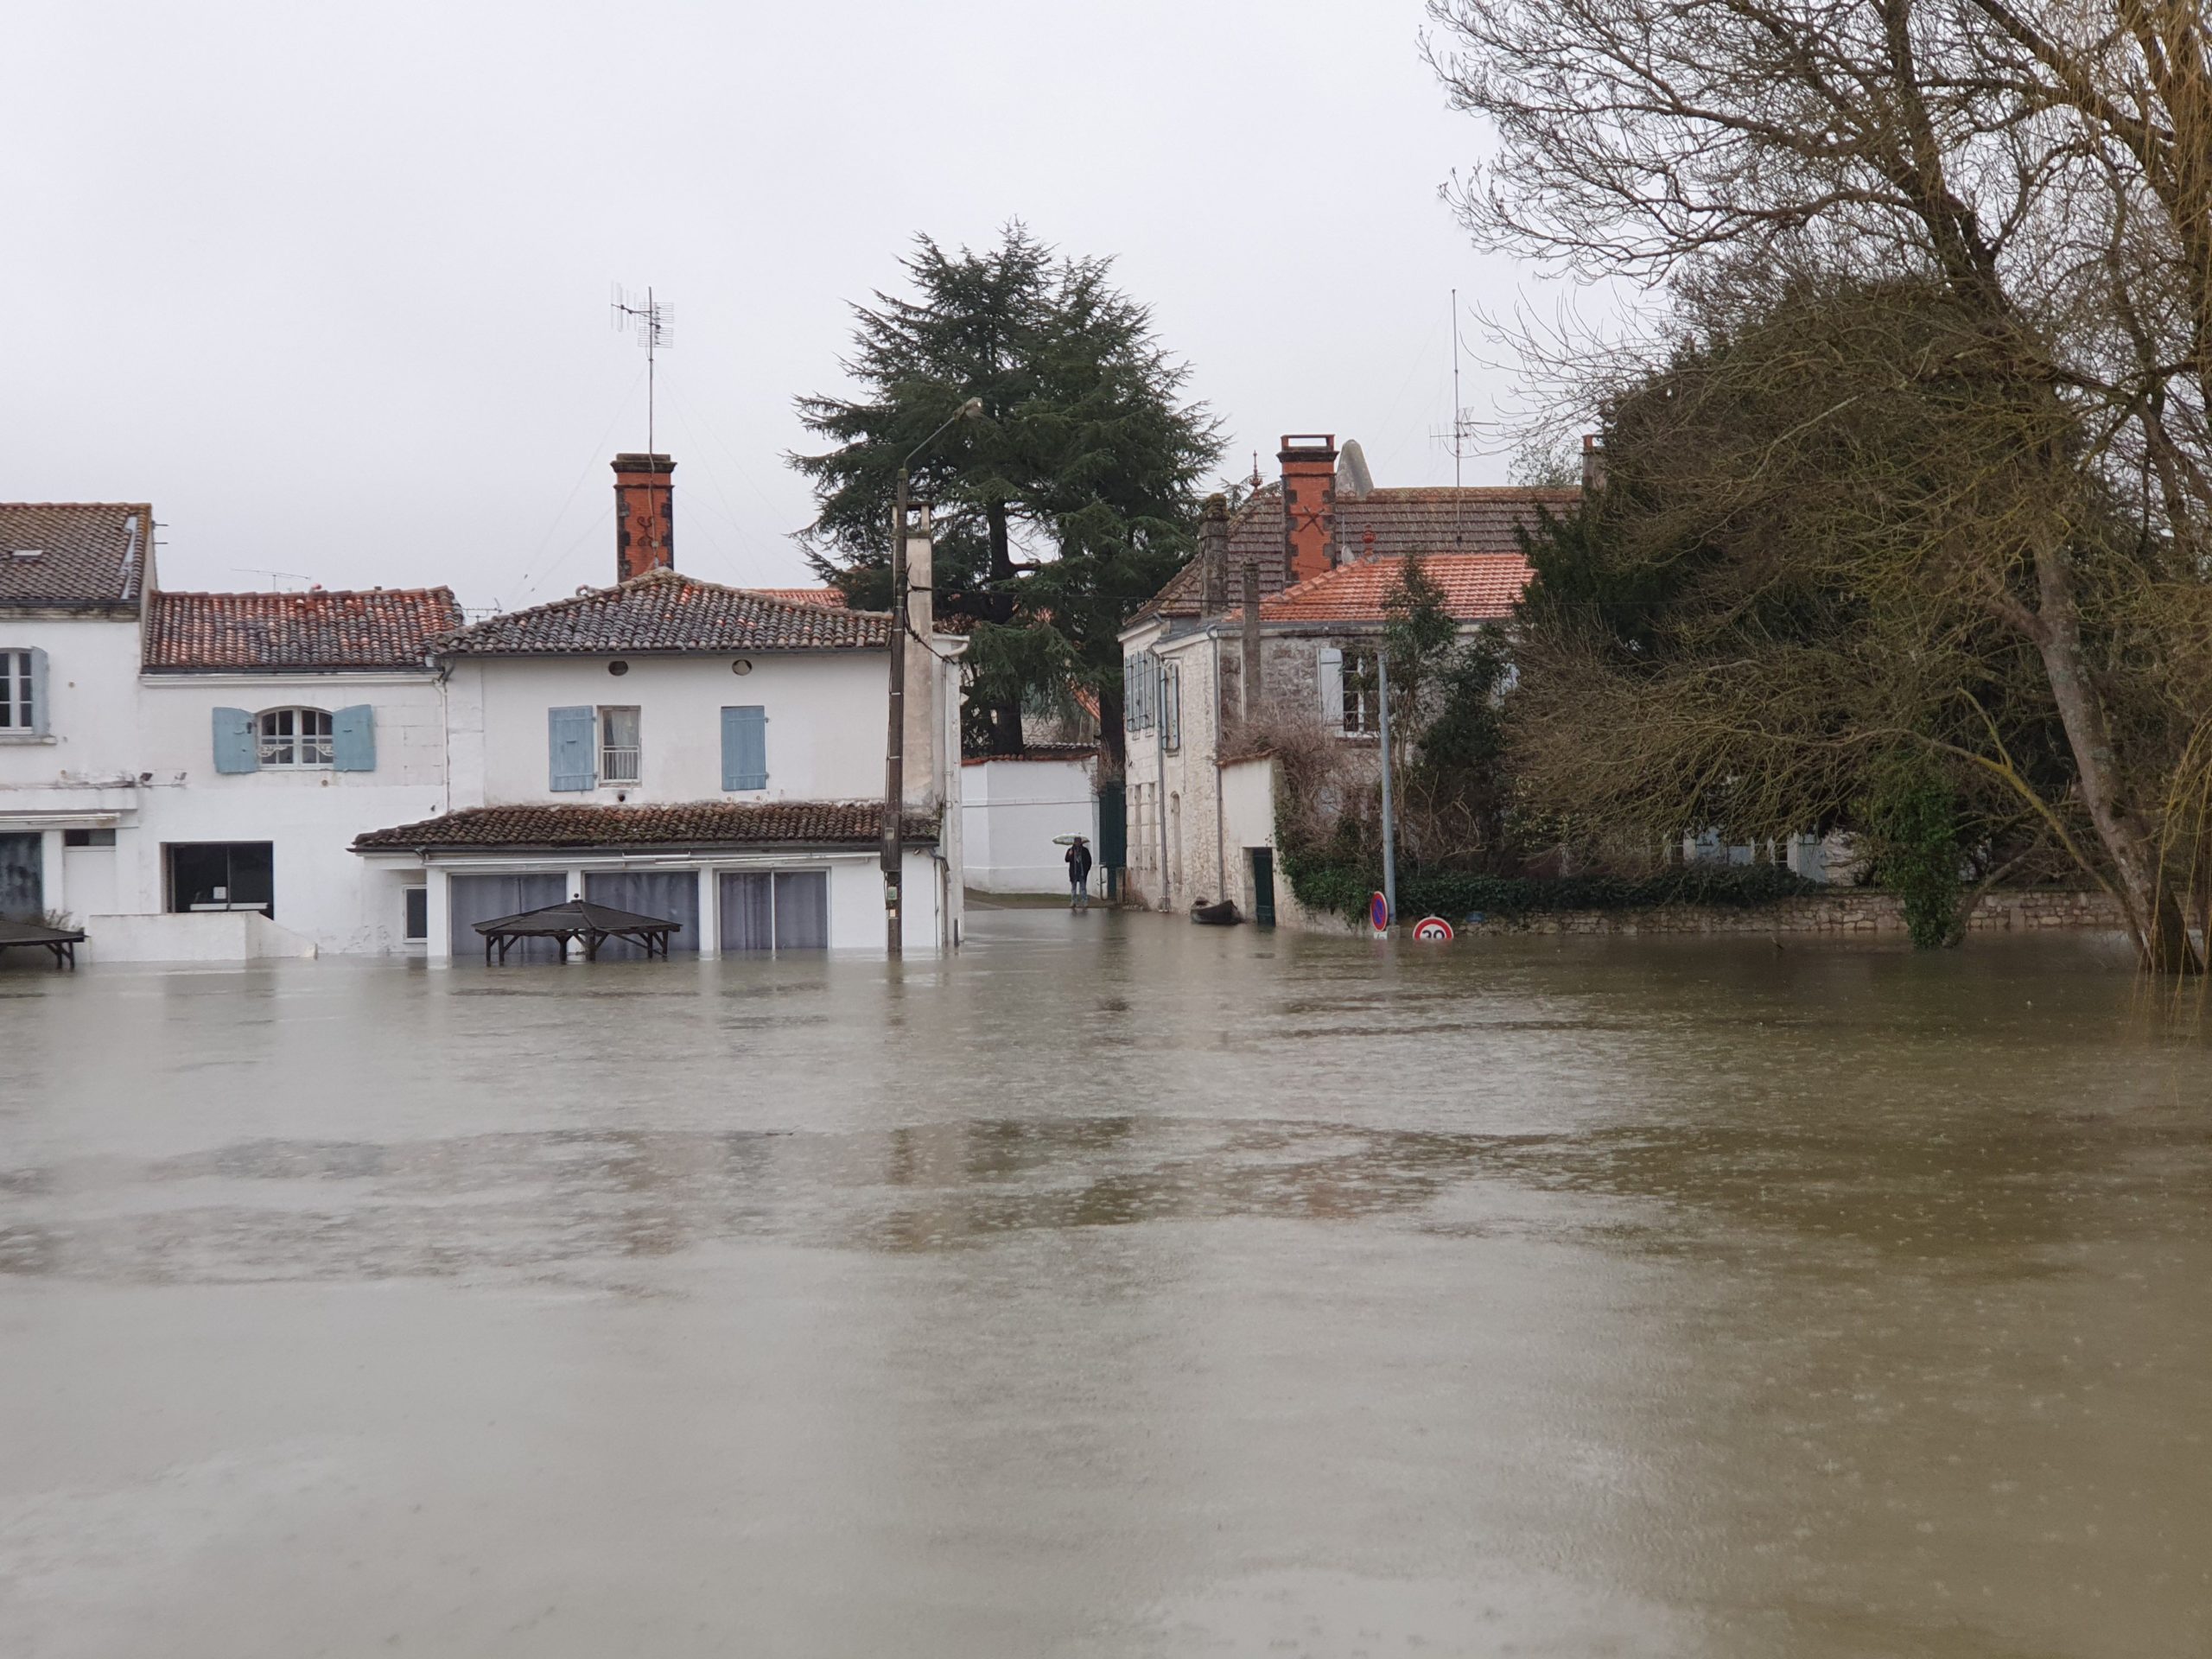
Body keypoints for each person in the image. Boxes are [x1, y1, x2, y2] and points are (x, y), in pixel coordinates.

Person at [1065, 836, 1093, 911]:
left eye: (1079, 841)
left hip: (1082, 872)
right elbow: (1066, 859)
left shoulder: (1085, 850)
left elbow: (1089, 861)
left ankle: (1085, 901)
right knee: (1073, 888)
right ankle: (1073, 901)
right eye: (1076, 841)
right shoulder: (1070, 850)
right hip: (1074, 872)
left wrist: (1087, 869)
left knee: (1083, 888)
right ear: (1074, 842)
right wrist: (1069, 855)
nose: (1077, 843)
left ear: (1081, 842)